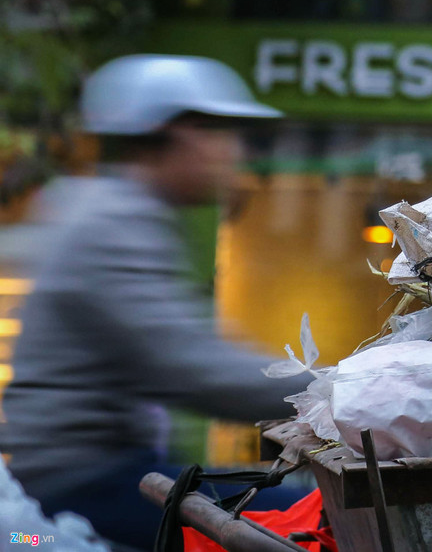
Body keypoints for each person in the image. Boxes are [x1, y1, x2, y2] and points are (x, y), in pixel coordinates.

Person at [0, 55, 313, 549]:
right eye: (223, 133)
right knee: (305, 517)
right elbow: (189, 367)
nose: (235, 151)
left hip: (104, 473)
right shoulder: (112, 223)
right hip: (85, 486)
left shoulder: (118, 211)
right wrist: (338, 390)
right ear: (183, 133)